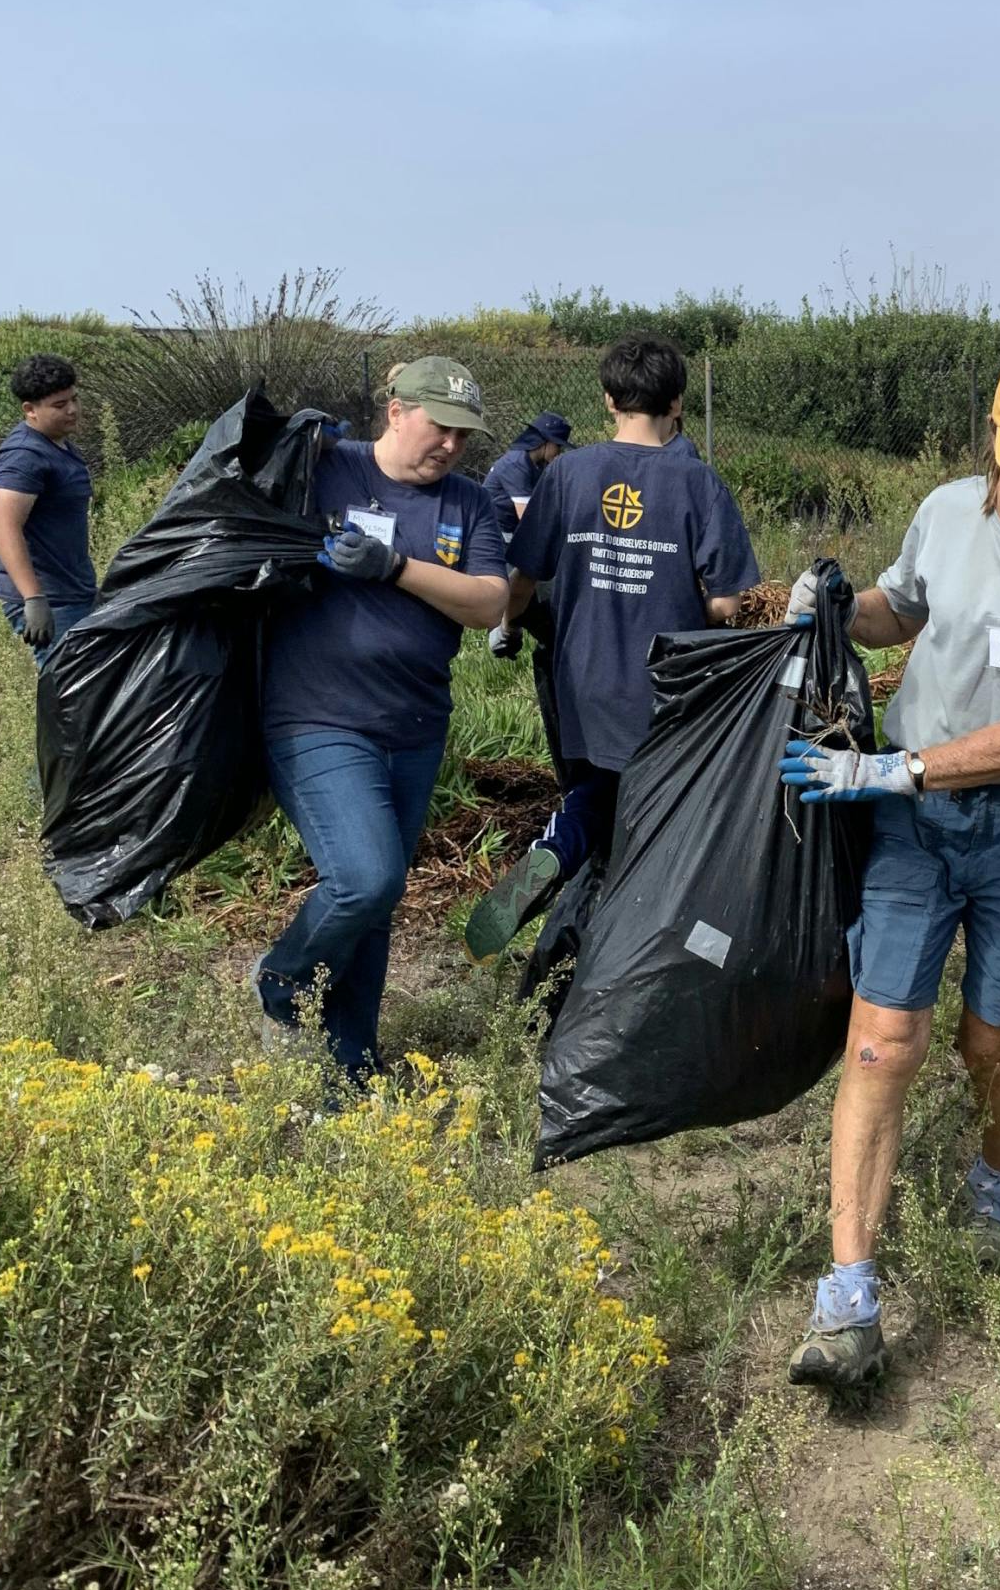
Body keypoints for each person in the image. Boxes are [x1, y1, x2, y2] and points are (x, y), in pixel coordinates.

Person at [775, 348, 1000, 1388]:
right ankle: (847, 1297)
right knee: (884, 1043)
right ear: (994, 435)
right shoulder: (944, 511)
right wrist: (840, 607)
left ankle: (998, 1173)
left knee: (992, 1039)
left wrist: (900, 765)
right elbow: (906, 609)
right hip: (909, 826)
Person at [463, 334, 760, 962]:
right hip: (666, 686)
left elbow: (522, 578)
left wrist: (510, 627)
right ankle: (630, 951)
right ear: (677, 403)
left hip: (583, 680)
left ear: (607, 400)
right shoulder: (700, 484)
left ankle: (553, 856)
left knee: (595, 796)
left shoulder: (568, 472)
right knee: (655, 815)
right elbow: (731, 604)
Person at [254, 357, 508, 1078]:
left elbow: (490, 601)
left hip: (415, 725)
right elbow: (228, 476)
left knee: (375, 908)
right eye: (441, 427)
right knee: (367, 879)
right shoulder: (328, 466)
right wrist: (290, 438)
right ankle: (281, 979)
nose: (453, 446)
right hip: (317, 715)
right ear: (395, 410)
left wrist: (393, 566)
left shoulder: (469, 503)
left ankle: (350, 1066)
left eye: (465, 435)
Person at [0, 354, 97, 667]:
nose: (73, 410)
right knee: (71, 697)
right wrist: (33, 598)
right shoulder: (25, 457)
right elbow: (4, 524)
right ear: (30, 410)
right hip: (50, 598)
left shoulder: (58, 445)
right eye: (60, 405)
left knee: (89, 694)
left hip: (74, 591)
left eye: (75, 399)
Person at [484, 411, 572, 534]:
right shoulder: (516, 463)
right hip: (493, 530)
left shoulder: (537, 463)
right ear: (547, 441)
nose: (559, 452)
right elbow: (527, 518)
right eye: (558, 445)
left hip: (507, 528)